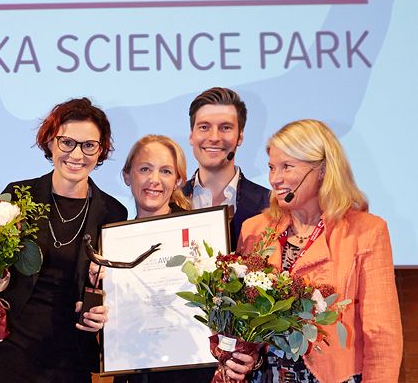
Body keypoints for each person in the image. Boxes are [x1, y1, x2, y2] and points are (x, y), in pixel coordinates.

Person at [0, 98, 127, 383]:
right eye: (67, 142)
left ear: (101, 151)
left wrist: (106, 305)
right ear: (50, 142)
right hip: (10, 349)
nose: (77, 154)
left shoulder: (112, 212)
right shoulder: (18, 196)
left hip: (70, 358)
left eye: (89, 145)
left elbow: (114, 289)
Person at [238, 119, 402, 383]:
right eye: (271, 168)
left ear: (323, 170)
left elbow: (382, 335)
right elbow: (245, 325)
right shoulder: (254, 230)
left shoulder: (366, 232)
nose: (274, 179)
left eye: (287, 167)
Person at [115, 135, 256, 383]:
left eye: (166, 171)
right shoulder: (113, 246)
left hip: (194, 371)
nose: (154, 180)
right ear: (127, 175)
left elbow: (228, 314)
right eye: (145, 169)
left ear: (178, 180)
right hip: (133, 371)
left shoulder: (203, 236)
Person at [183, 87, 270, 252]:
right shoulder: (170, 202)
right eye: (204, 127)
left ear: (240, 136)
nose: (214, 137)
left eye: (225, 128)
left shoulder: (268, 204)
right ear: (191, 135)